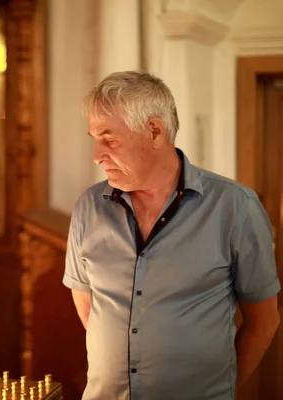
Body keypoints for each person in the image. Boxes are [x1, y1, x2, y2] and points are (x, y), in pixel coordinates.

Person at [63, 71, 280, 400]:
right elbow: (88, 308)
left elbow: (264, 321)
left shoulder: (236, 207)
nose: (97, 154)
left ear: (154, 131)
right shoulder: (89, 207)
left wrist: (221, 391)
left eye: (109, 138)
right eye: (94, 138)